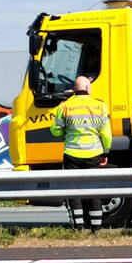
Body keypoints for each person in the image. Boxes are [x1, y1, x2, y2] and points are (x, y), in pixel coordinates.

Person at [49, 75, 112, 231]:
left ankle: (78, 227)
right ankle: (96, 228)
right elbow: (106, 134)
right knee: (94, 189)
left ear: (74, 90)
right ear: (88, 88)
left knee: (73, 190)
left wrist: (65, 132)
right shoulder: (100, 106)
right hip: (94, 153)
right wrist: (105, 152)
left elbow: (55, 131)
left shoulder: (64, 106)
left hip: (72, 154)